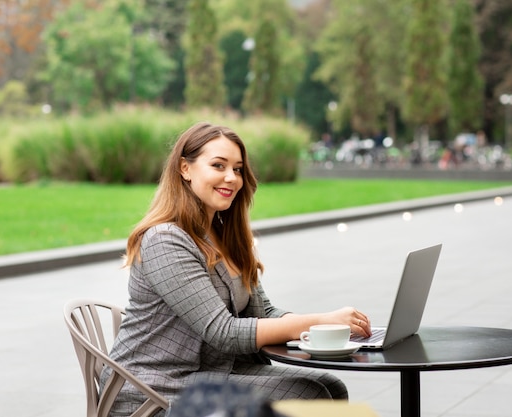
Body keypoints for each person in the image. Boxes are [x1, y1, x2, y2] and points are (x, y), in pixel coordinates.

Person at [101, 121, 372, 415]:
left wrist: (325, 327)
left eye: (238, 169)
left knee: (331, 387)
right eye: (218, 166)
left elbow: (264, 312)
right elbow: (223, 332)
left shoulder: (224, 235)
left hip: (209, 372)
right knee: (309, 395)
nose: (231, 178)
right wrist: (319, 320)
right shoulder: (164, 239)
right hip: (152, 389)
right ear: (185, 169)